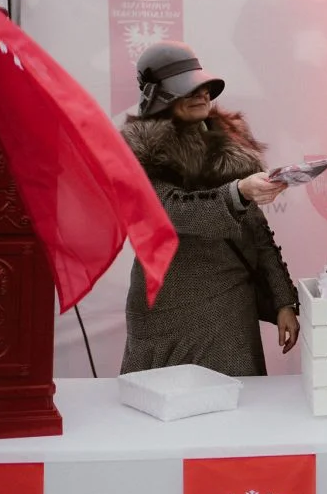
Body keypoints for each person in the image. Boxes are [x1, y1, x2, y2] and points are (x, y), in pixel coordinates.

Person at [120, 41, 299, 377]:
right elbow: (171, 211)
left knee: (235, 420)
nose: (202, 95)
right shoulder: (140, 150)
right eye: (189, 89)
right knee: (162, 418)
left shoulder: (228, 144)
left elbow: (258, 234)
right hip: (166, 309)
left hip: (229, 309)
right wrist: (239, 191)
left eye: (204, 87)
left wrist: (283, 302)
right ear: (159, 96)